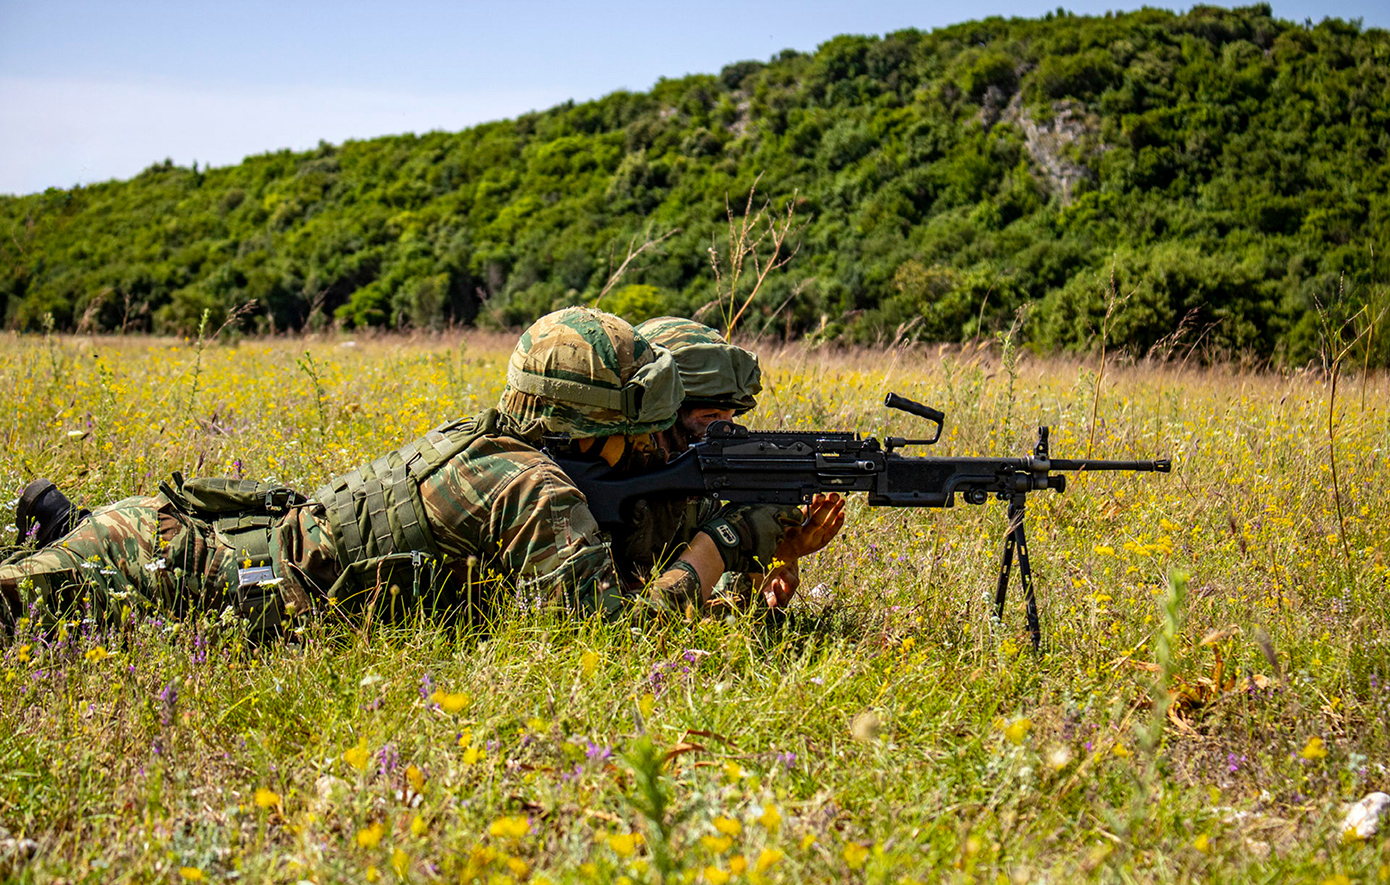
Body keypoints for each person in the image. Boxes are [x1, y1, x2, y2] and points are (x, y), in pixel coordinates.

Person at [1, 307, 836, 636]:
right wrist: (723, 543)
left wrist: (772, 560)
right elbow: (608, 645)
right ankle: (63, 536)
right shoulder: (535, 491)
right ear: (590, 428)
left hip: (212, 544)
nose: (656, 441)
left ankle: (57, 525)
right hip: (182, 565)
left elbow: (611, 581)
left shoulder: (522, 455)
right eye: (643, 425)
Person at [630, 316, 846, 609]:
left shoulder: (696, 497)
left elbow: (694, 602)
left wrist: (773, 560)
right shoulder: (600, 491)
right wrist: (727, 539)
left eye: (730, 417)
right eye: (710, 416)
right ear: (656, 416)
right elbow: (633, 619)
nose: (727, 431)